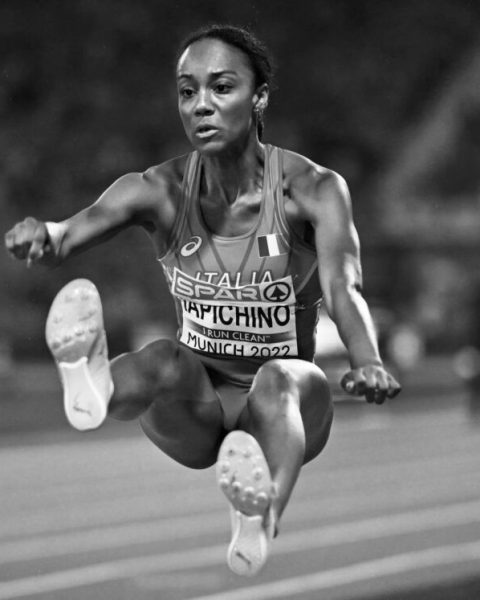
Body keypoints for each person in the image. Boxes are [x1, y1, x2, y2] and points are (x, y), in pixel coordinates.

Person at [4, 24, 401, 576]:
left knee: (280, 378)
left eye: (221, 88)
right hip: (198, 407)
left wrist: (368, 360)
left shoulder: (310, 189)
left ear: (258, 97)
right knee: (164, 357)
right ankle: (95, 387)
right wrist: (42, 237)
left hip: (283, 412)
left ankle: (259, 516)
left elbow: (343, 284)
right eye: (187, 91)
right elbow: (68, 234)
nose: (201, 106)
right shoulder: (158, 189)